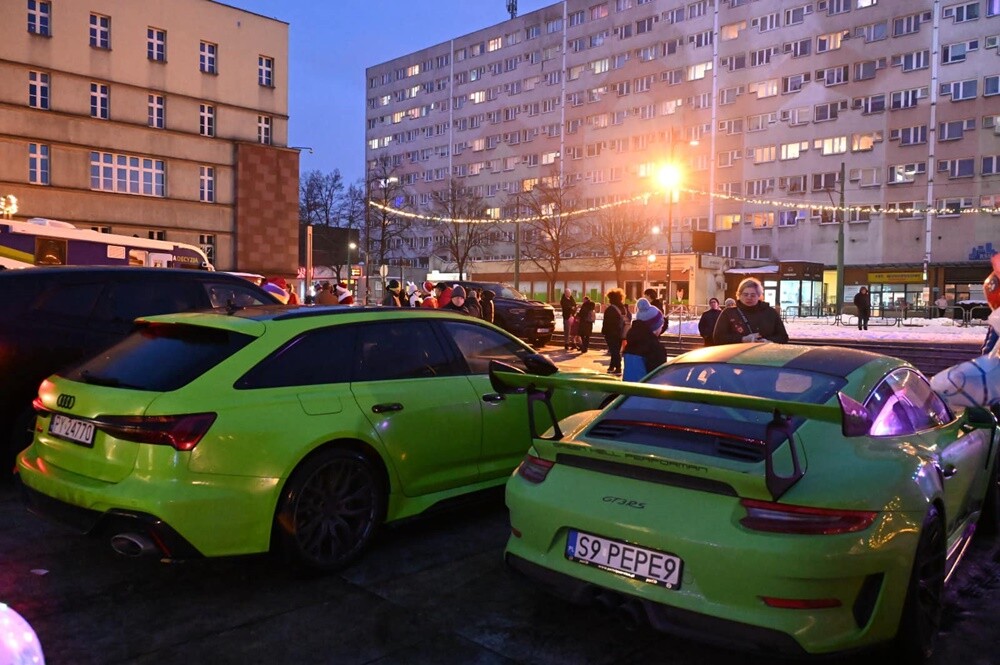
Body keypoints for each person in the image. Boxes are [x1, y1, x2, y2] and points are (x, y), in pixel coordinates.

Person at [713, 277, 789, 345]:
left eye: (753, 295)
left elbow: (783, 337)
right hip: (737, 354)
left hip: (765, 353)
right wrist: (742, 339)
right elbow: (718, 338)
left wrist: (769, 341)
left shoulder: (770, 312)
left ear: (759, 296)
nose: (749, 298)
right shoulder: (728, 313)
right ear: (739, 295)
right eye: (745, 294)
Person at [623, 298, 667, 382]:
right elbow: (659, 377)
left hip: (628, 388)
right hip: (645, 388)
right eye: (661, 325)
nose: (662, 327)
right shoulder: (655, 348)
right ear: (655, 328)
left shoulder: (632, 341)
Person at [602, 288, 627, 374]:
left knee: (614, 351)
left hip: (611, 333)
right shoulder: (623, 308)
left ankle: (618, 368)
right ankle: (611, 366)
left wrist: (604, 332)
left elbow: (606, 322)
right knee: (616, 349)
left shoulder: (610, 309)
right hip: (621, 332)